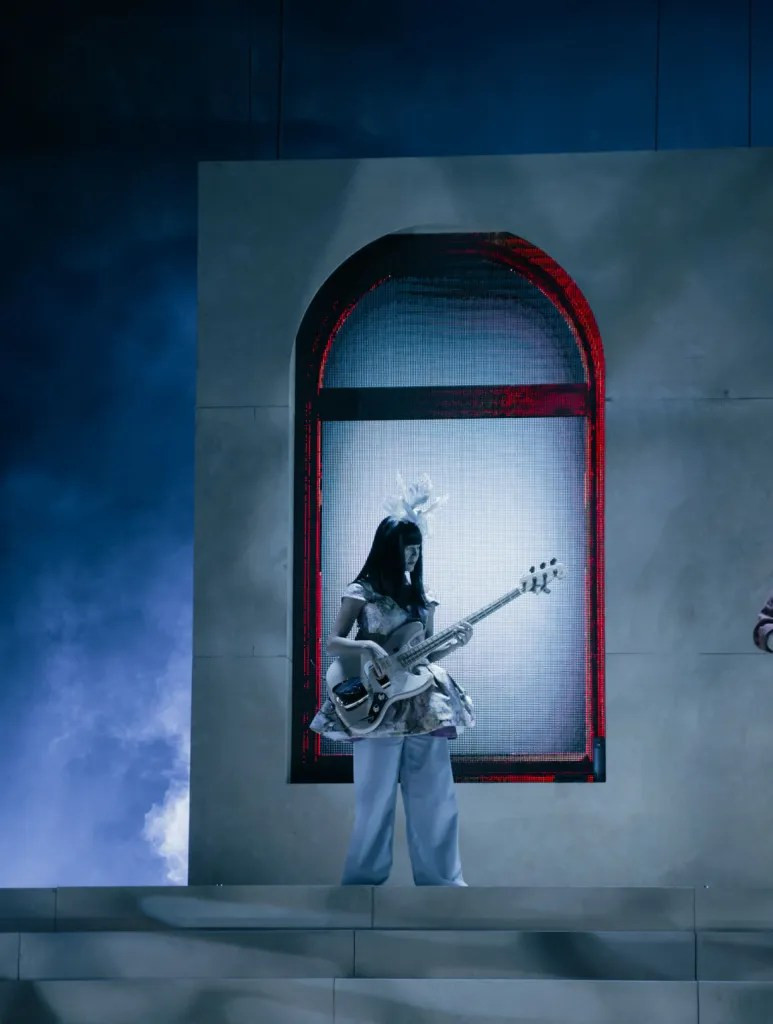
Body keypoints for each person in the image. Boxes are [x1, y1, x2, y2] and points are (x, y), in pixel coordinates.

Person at [309, 475, 475, 886]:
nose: (412, 560)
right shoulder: (361, 590)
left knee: (435, 799)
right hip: (375, 700)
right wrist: (367, 648)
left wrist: (456, 643)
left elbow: (427, 653)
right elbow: (332, 642)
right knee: (373, 801)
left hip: (421, 702)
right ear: (388, 551)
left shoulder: (421, 595)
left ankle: (444, 886)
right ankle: (363, 887)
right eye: (406, 552)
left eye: (417, 552)